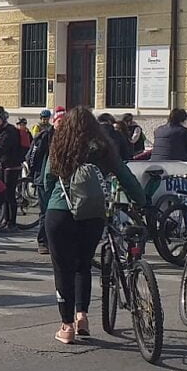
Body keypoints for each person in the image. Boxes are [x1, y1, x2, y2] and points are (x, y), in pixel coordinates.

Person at [40, 106, 146, 345]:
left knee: (62, 268)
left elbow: (46, 180)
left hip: (59, 212)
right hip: (92, 215)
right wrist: (143, 202)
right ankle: (82, 317)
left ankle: (66, 326)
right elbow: (125, 176)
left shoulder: (59, 146)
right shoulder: (103, 149)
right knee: (83, 265)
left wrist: (50, 205)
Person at [27, 110, 56, 255]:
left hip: (58, 180)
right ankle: (43, 242)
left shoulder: (65, 136)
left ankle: (54, 242)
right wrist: (34, 174)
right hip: (43, 180)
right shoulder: (44, 135)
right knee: (45, 212)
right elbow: (32, 156)